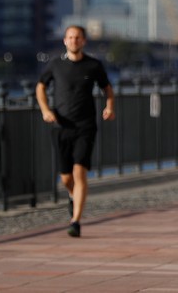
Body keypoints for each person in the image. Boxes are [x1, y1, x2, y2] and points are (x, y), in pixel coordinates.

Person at [36, 25, 116, 238]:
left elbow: (107, 88)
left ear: (84, 41)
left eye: (78, 37)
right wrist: (45, 110)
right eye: (70, 37)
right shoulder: (55, 65)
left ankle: (76, 221)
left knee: (79, 170)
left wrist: (110, 106)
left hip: (85, 127)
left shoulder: (93, 65)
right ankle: (73, 196)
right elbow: (40, 86)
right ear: (65, 41)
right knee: (65, 178)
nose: (74, 41)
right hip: (61, 126)